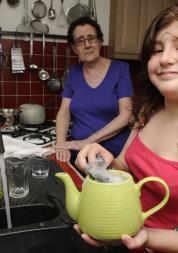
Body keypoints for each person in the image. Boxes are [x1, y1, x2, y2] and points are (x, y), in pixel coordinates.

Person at [74, 4, 178, 253]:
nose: (165, 58)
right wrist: (106, 161)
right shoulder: (147, 111)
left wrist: (147, 236)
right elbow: (126, 166)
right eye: (157, 50)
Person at [55, 16, 133, 164]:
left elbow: (125, 116)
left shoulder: (120, 69)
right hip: (80, 155)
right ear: (74, 48)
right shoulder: (74, 73)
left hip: (113, 155)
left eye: (91, 38)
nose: (87, 45)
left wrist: (87, 141)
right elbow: (64, 112)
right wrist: (61, 144)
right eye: (80, 41)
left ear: (100, 41)